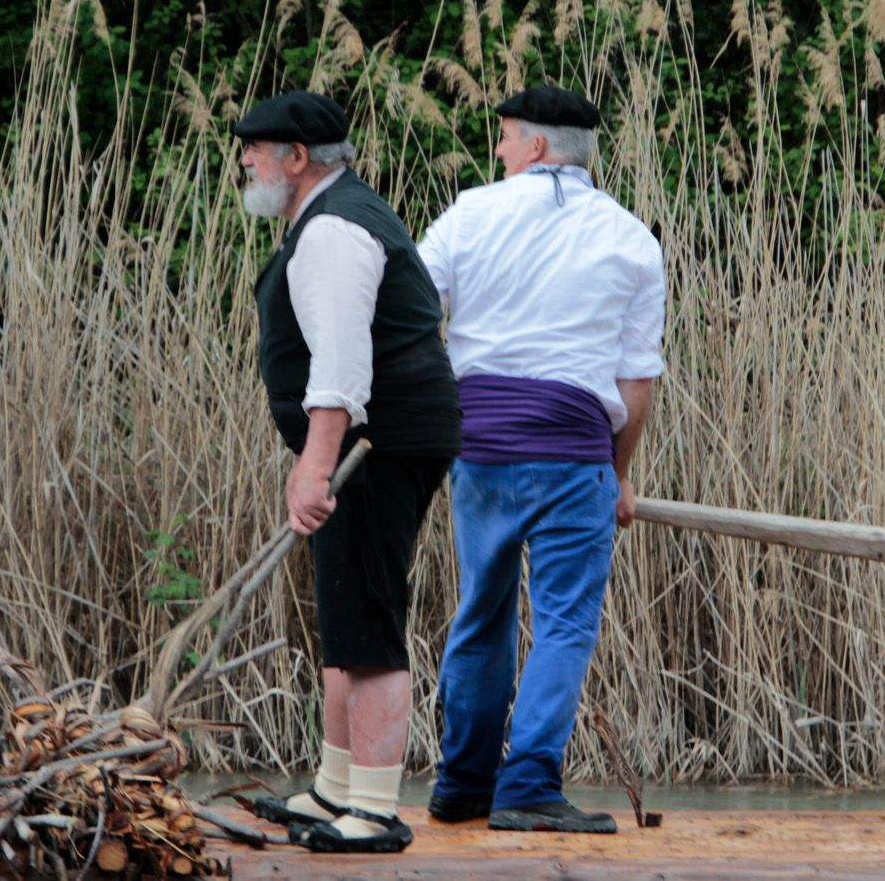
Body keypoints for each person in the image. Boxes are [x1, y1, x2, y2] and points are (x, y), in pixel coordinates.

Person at [419, 85, 666, 834]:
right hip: (572, 446)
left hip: (482, 443)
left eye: (503, 138)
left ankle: (462, 783)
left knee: (482, 607)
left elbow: (406, 306)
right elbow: (637, 379)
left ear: (534, 146)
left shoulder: (469, 212)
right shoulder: (631, 238)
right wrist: (616, 475)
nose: (496, 151)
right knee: (563, 621)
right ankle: (526, 783)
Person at [232, 90, 462, 854]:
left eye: (256, 149)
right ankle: (335, 787)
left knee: (366, 613)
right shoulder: (337, 214)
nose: (245, 161)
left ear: (298, 159)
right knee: (342, 607)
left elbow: (340, 362)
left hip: (374, 445)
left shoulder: (332, 228)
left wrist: (315, 464)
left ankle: (373, 807)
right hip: (375, 441)